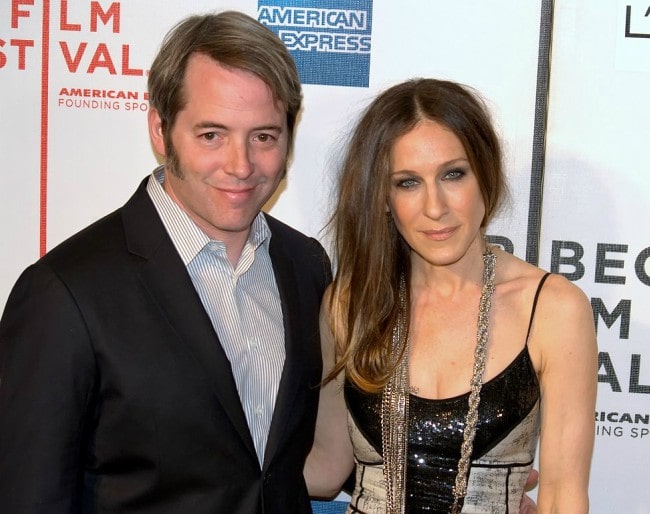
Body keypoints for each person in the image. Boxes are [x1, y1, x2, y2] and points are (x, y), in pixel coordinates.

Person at [0, 11, 331, 514]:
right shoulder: (65, 293)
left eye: (263, 136)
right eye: (211, 135)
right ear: (160, 129)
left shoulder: (305, 265)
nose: (240, 166)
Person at [304, 79, 597, 513]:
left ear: (486, 173)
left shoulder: (553, 310)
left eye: (453, 174)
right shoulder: (349, 304)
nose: (435, 207)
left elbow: (561, 498)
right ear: (383, 198)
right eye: (407, 183)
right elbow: (327, 468)